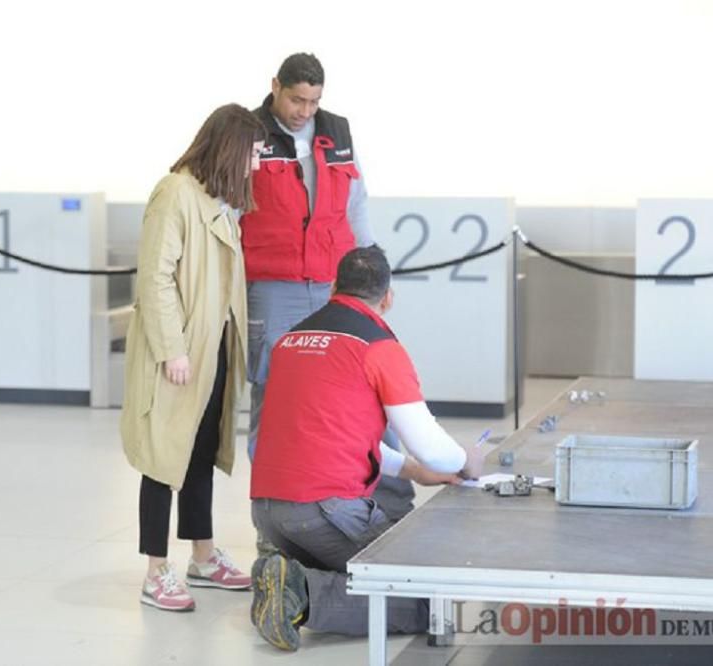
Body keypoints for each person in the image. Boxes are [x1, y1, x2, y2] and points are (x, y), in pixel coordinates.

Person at [247, 246, 483, 650]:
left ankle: (288, 576)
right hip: (326, 512)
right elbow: (430, 445)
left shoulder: (290, 340)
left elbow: (326, 434)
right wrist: (466, 460)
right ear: (388, 297)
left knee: (362, 574)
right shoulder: (379, 346)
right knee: (431, 603)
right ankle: (304, 593)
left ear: (334, 287)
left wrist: (410, 471)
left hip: (268, 512)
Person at [241, 52, 415, 534]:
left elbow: (356, 205)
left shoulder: (336, 130)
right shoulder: (248, 133)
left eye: (313, 101)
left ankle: (389, 516)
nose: (304, 110)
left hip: (337, 284)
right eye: (296, 99)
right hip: (274, 287)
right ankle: (273, 532)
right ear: (275, 86)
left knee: (365, 392)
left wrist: (377, 278)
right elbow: (232, 211)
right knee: (274, 396)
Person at [120, 104, 267, 612]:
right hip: (180, 354)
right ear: (229, 148)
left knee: (201, 450)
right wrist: (172, 349)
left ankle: (203, 556)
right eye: (252, 151)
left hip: (214, 349)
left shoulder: (219, 200)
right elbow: (156, 276)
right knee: (164, 454)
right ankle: (155, 571)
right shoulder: (175, 193)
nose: (257, 163)